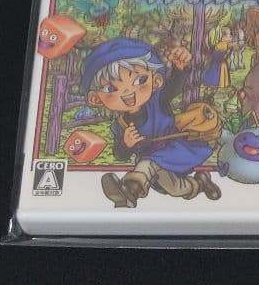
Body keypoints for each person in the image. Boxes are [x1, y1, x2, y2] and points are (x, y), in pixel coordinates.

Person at [81, 37, 220, 207]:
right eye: (111, 89)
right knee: (176, 188)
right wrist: (126, 144)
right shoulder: (120, 125)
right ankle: (201, 183)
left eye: (140, 80)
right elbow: (120, 154)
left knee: (149, 166)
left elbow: (174, 87)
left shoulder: (158, 100)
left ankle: (129, 191)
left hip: (172, 150)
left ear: (156, 81)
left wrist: (179, 68)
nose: (128, 92)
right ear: (96, 99)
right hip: (151, 163)